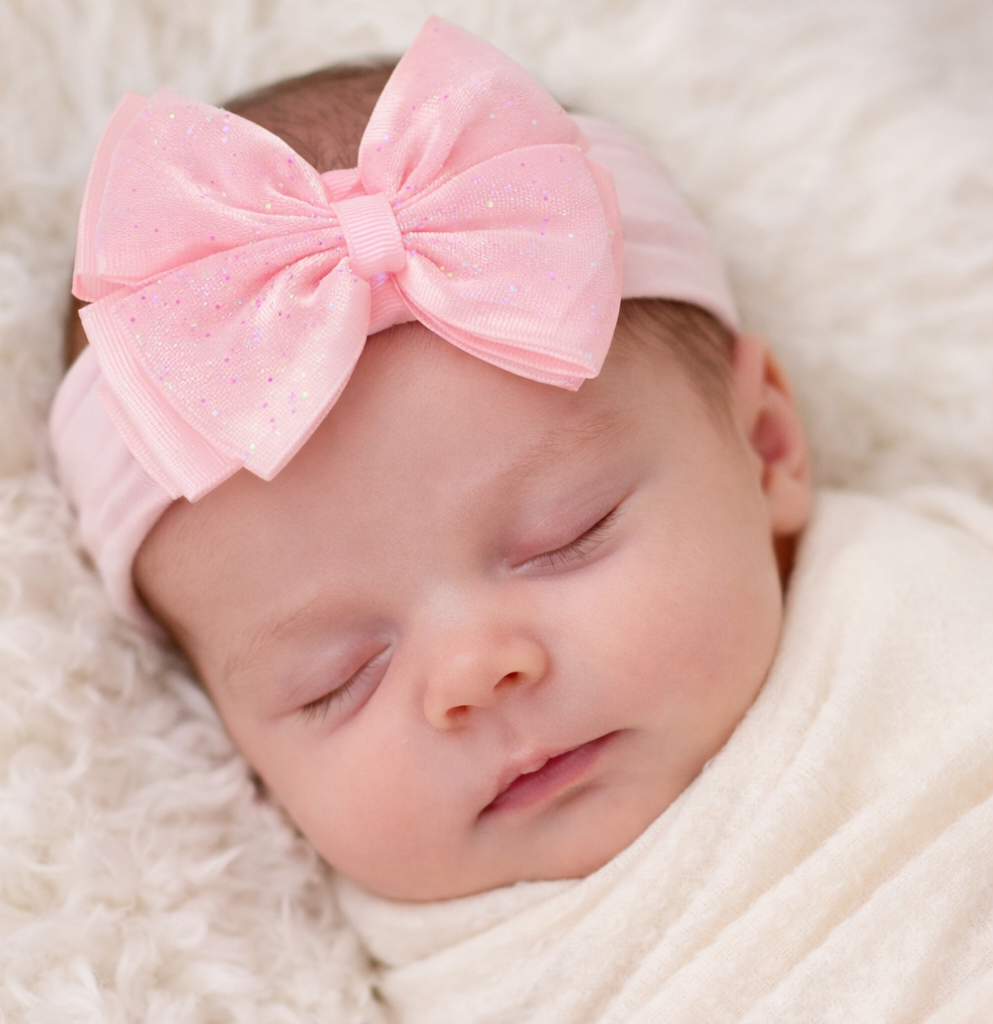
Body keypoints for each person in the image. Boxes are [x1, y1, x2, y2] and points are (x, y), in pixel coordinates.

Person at [51, 17, 993, 1022]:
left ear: (765, 447)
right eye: (337, 679)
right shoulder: (325, 971)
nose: (473, 673)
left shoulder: (919, 607)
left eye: (565, 538)